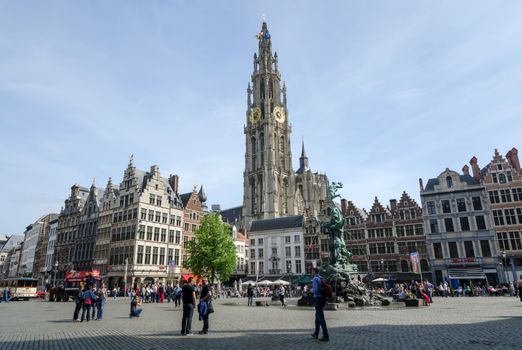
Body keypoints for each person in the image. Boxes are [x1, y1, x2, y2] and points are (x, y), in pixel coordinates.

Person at [311, 267, 329, 341]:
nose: (311, 272)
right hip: (323, 298)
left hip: (318, 299)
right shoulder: (321, 278)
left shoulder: (315, 279)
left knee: (320, 317)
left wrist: (311, 290)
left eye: (312, 271)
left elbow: (315, 290)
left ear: (314, 272)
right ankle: (316, 333)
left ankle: (325, 335)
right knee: (317, 316)